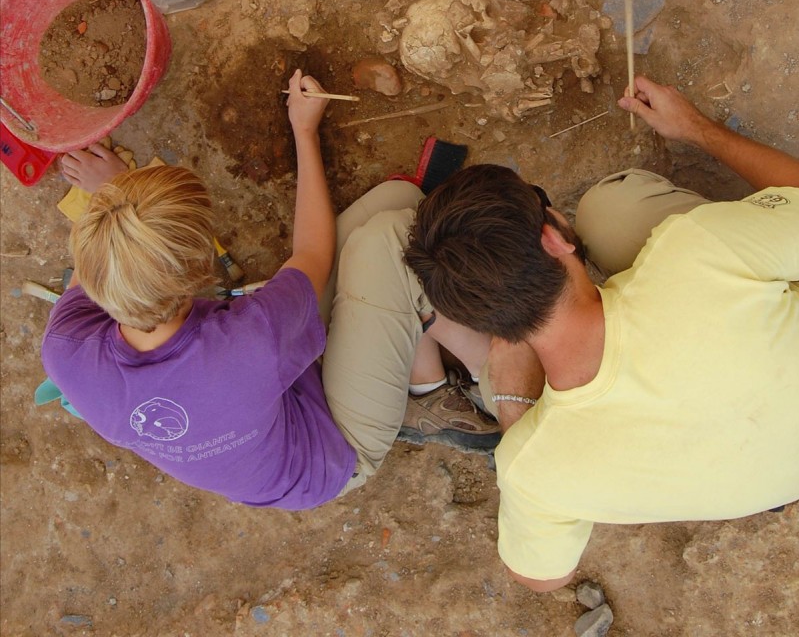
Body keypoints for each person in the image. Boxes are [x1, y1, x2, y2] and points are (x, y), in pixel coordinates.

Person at [404, 76, 799, 590]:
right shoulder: (693, 251)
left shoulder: (529, 466)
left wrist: (517, 406)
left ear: (484, 317)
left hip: (790, 476)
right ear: (552, 237)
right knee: (614, 209)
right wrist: (697, 129)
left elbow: (540, 577)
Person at [40, 70, 496, 512]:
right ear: (205, 267)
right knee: (395, 233)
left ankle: (410, 356)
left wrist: (116, 198)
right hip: (335, 454)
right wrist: (304, 130)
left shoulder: (67, 348)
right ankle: (466, 383)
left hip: (267, 409)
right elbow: (312, 253)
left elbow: (104, 257)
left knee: (393, 201)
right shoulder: (247, 337)